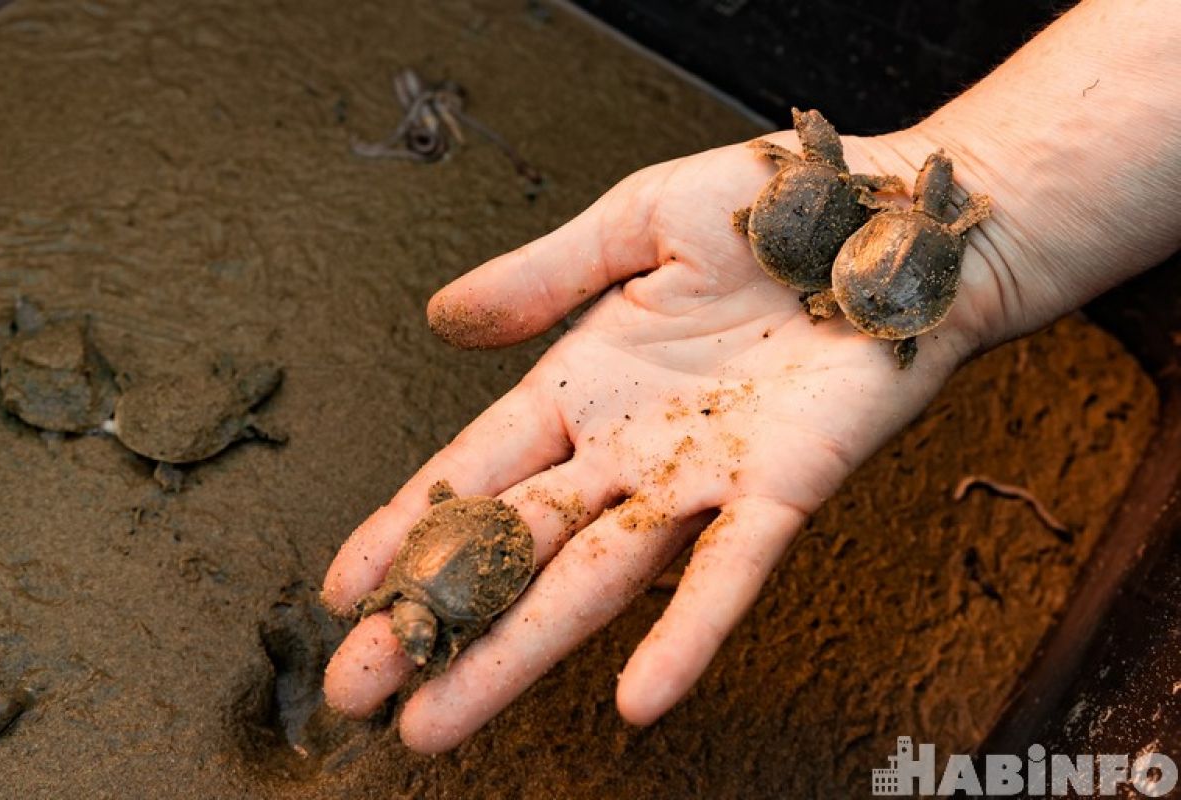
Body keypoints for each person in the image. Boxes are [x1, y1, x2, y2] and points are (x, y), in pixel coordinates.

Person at [320, 0, 1180, 754]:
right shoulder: (870, 204)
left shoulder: (860, 208)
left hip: (876, 257)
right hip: (881, 255)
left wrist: (995, 199)